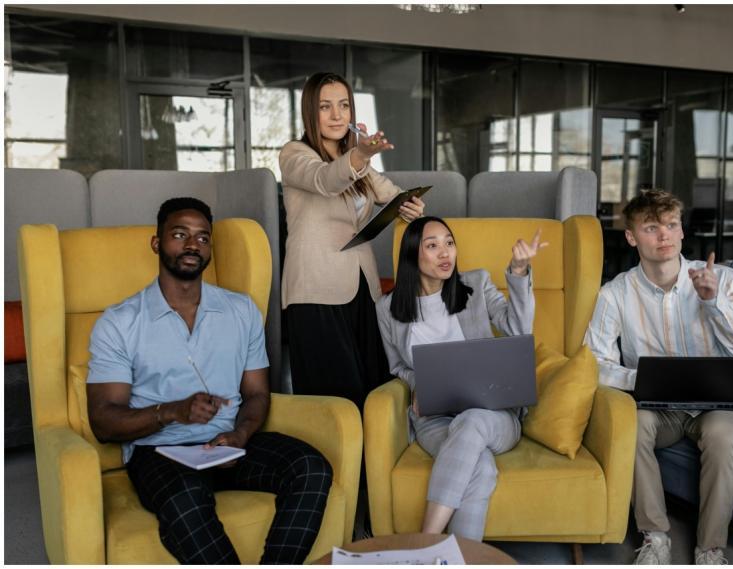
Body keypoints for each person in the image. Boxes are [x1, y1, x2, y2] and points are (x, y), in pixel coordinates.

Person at [86, 197, 333, 565]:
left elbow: (256, 394)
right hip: (159, 451)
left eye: (203, 238)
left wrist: (240, 436)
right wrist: (171, 412)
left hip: (228, 444)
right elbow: (103, 421)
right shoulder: (120, 322)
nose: (192, 245)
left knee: (312, 467)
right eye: (180, 234)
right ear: (157, 243)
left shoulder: (241, 310)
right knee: (185, 501)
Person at [584, 190, 733, 565]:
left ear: (682, 232)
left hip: (719, 403)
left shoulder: (726, 280)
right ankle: (655, 538)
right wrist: (640, 379)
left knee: (723, 436)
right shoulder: (615, 293)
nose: (664, 236)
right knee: (627, 426)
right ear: (632, 237)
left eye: (671, 226)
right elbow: (594, 361)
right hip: (656, 403)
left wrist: (714, 303)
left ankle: (710, 549)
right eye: (652, 228)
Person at [376, 216, 546, 541]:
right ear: (413, 255)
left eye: (449, 243)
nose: (445, 253)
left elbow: (518, 330)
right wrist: (416, 385)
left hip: (493, 416)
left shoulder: (476, 285)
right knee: (480, 469)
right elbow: (398, 366)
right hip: (434, 419)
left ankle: (424, 543)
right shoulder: (387, 308)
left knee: (472, 422)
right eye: (433, 245)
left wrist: (519, 273)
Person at [278, 71, 425, 410]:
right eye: (325, 107)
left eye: (343, 106)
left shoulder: (356, 160)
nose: (337, 115)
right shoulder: (294, 154)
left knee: (371, 387)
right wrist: (360, 155)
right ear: (309, 113)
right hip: (315, 291)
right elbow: (325, 180)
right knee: (335, 398)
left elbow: (392, 194)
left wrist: (411, 203)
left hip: (361, 288)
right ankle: (341, 465)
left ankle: (370, 464)